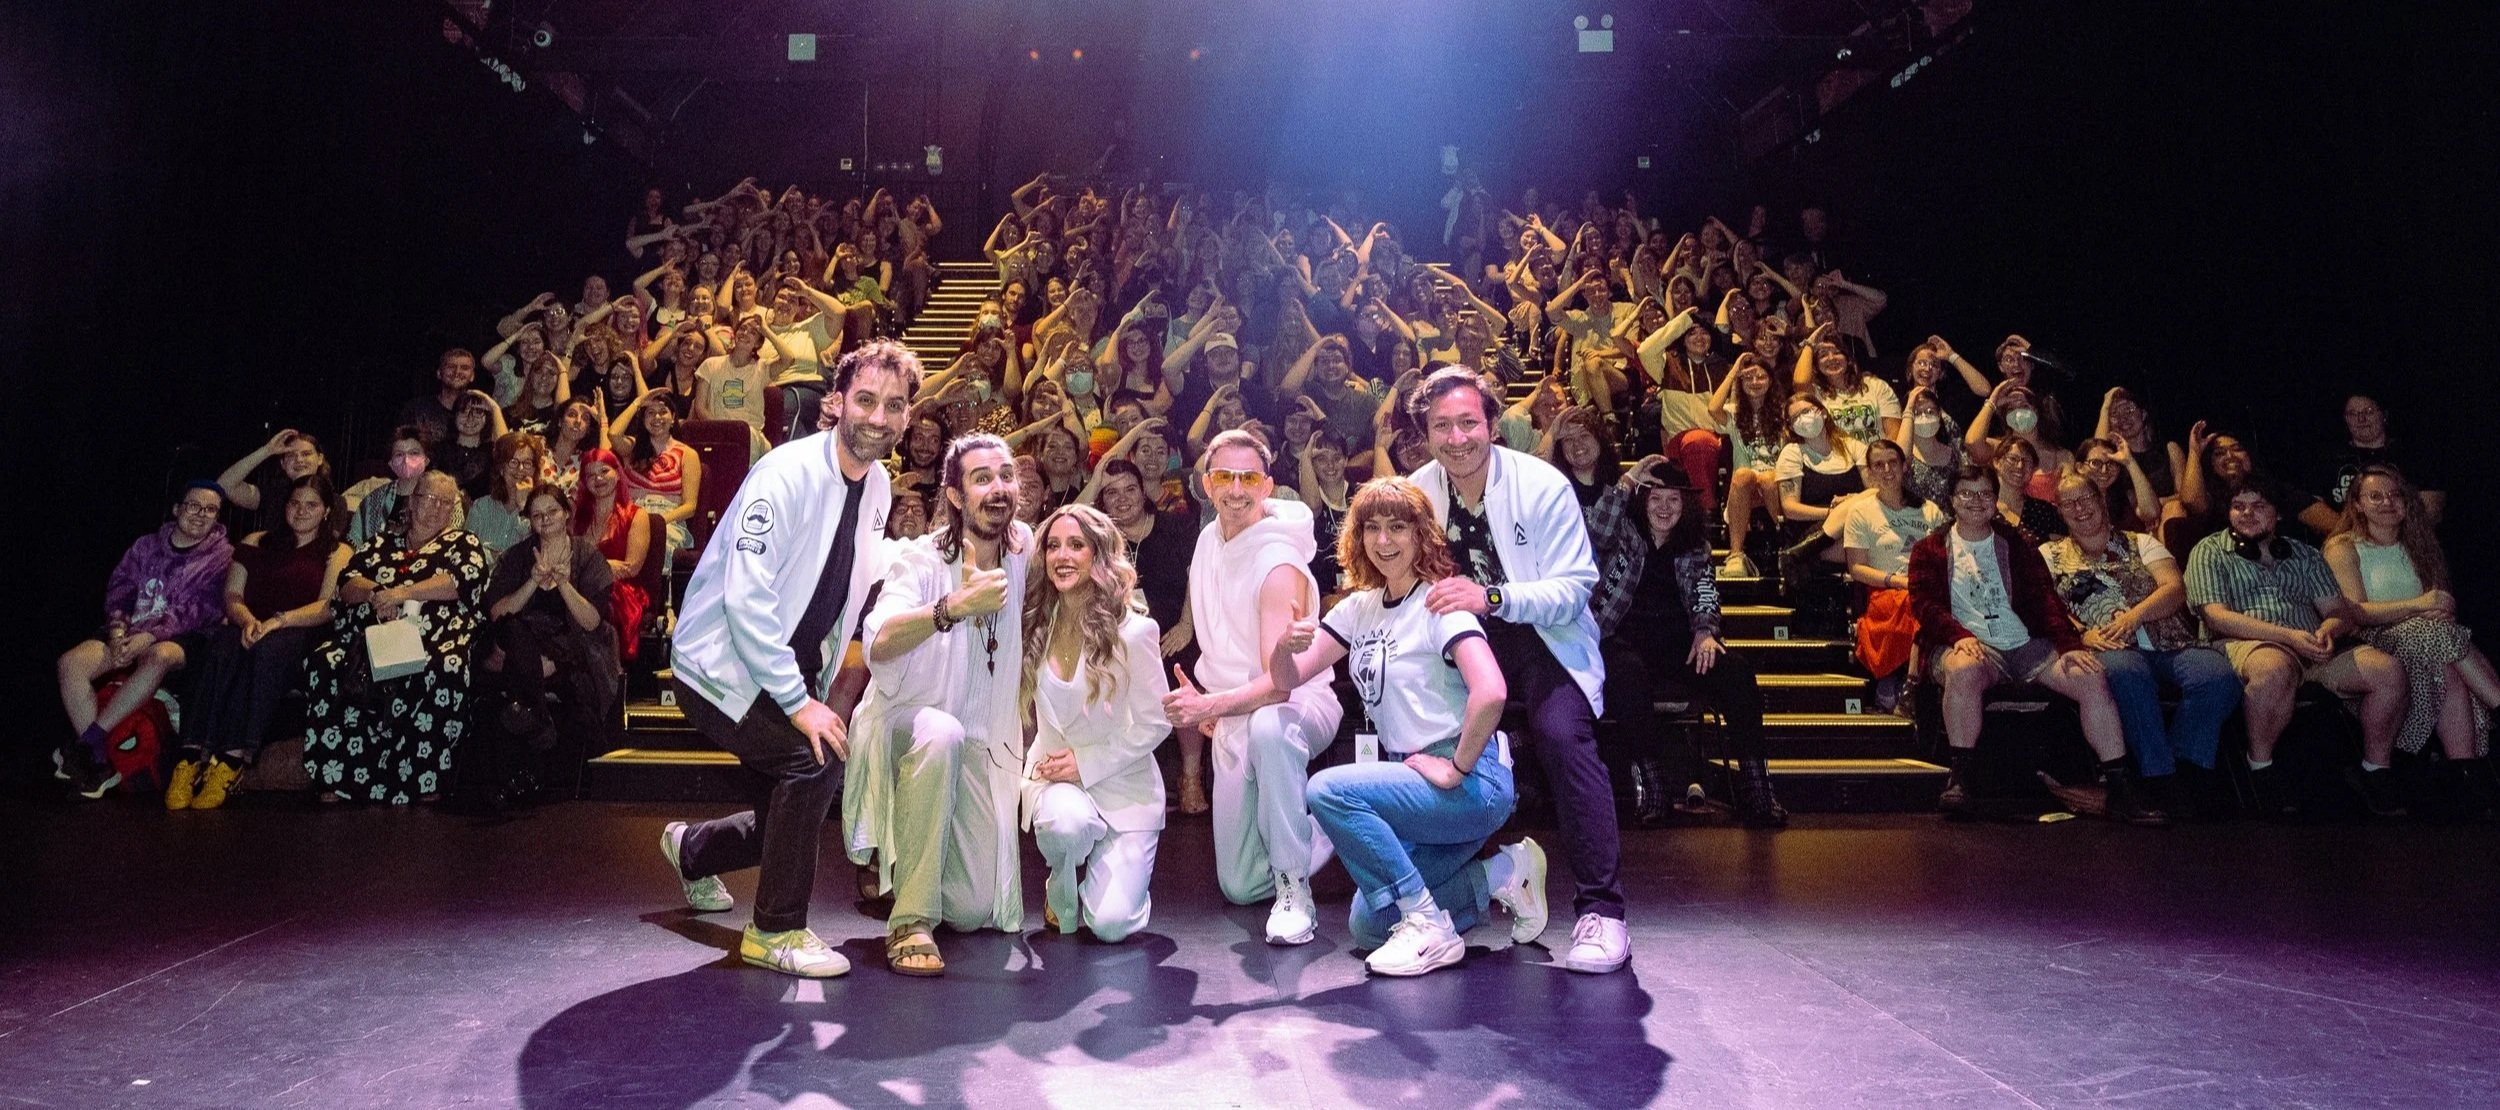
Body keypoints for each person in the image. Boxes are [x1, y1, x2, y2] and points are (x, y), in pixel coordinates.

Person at [660, 340, 911, 979]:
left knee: (792, 801)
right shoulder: (785, 473)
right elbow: (747, 600)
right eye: (866, 400)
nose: (878, 417)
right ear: (837, 401)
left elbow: (857, 582)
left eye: (893, 405)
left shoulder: (878, 485)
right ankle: (774, 930)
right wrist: (802, 705)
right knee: (811, 759)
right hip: (718, 665)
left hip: (786, 668)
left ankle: (693, 849)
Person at [1274, 477, 1547, 975]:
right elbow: (1288, 679)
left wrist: (1456, 766)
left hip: (1470, 780)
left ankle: (1428, 926)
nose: (1383, 541)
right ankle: (1506, 872)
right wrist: (1281, 647)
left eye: (1397, 528)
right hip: (1413, 785)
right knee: (1368, 923)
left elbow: (1491, 692)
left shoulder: (1438, 603)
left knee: (1329, 790)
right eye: (1371, 528)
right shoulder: (1359, 608)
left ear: (1422, 535)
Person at [1404, 368, 1626, 974]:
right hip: (1458, 640)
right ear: (1426, 433)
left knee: (1563, 737)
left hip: (1541, 638)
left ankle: (1603, 911)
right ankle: (1457, 890)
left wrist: (1492, 597)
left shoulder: (1541, 483)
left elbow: (1575, 588)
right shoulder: (1417, 491)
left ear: (1492, 425)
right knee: (1418, 741)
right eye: (1441, 426)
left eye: (1468, 423)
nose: (1456, 438)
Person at [851, 433, 1031, 975]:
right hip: (909, 730)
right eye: (981, 479)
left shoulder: (1025, 551)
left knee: (974, 912)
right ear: (954, 495)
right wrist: (952, 607)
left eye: (1005, 476)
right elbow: (877, 640)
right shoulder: (922, 559)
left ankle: (910, 859)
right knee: (941, 731)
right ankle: (910, 919)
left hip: (981, 746)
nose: (997, 489)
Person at [1161, 429, 1345, 947]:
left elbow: (1280, 686)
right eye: (1225, 477)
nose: (1236, 489)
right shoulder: (1208, 539)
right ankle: (1332, 825)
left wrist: (1209, 704)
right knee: (1239, 886)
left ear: (1267, 487)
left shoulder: (1277, 564)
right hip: (1234, 709)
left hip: (1298, 703)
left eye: (1248, 478)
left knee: (1268, 728)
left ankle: (1293, 888)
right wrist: (1217, 703)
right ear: (1206, 483)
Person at [1907, 465, 2165, 824]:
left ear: (1995, 499)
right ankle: (1960, 780)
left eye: (1984, 493)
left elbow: (2044, 598)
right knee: (1962, 671)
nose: (1977, 501)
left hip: (2026, 643)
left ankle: (2120, 788)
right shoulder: (1930, 549)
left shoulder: (2015, 543)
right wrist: (1959, 637)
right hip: (1969, 644)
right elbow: (1924, 605)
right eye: (1967, 493)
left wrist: (2068, 645)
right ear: (1952, 500)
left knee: (2089, 676)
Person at [2186, 480, 2411, 815]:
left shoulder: (2304, 553)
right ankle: (2260, 769)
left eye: (2258, 505)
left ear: (2278, 515)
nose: (2247, 513)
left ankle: (2375, 771)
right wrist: (2288, 637)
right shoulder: (2209, 550)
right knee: (2274, 669)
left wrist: (2326, 631)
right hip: (2249, 644)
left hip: (2313, 646)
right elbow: (2217, 617)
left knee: (2387, 671)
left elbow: (2338, 612)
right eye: (2238, 506)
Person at [1591, 458, 1790, 825]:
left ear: (1685, 506)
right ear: (1642, 501)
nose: (1664, 508)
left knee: (1737, 672)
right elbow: (1596, 528)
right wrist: (1629, 479)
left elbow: (1704, 590)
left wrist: (1705, 631)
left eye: (1674, 500)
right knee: (1628, 674)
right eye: (1656, 499)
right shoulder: (1621, 531)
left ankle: (1757, 788)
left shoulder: (1694, 544)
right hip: (1621, 637)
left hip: (1676, 644)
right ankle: (1652, 788)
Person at [2041, 473, 2240, 816]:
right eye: (2069, 503)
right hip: (2108, 646)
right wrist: (2081, 635)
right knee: (2127, 674)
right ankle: (2159, 777)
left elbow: (2174, 589)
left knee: (2217, 675)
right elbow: (2045, 607)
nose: (2079, 508)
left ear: (2101, 500)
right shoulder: (2049, 554)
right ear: (2059, 511)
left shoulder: (2141, 542)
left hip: (2168, 641)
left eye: (2085, 498)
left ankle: (2182, 767)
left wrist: (2135, 617)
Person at [1021, 504, 1172, 942]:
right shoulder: (1034, 625)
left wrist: (1085, 764)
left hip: (1125, 789)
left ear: (1098, 555)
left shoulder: (1135, 632)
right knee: (1065, 825)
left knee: (1110, 926)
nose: (1062, 556)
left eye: (1076, 545)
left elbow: (1155, 722)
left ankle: (1115, 886)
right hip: (1056, 783)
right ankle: (1060, 888)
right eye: (1052, 546)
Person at [301, 471, 492, 805]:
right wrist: (379, 594)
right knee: (325, 660)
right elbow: (347, 584)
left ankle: (423, 780)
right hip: (372, 635)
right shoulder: (381, 542)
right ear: (413, 502)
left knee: (446, 666)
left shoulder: (464, 543)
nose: (437, 509)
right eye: (430, 499)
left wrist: (402, 593)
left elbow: (458, 583)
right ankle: (338, 776)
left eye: (446, 504)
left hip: (435, 637)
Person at [166, 477, 349, 810]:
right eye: (295, 503)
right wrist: (249, 620)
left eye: (312, 505)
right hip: (249, 622)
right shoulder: (256, 541)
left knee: (269, 648)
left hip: (297, 629)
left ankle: (232, 760)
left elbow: (326, 606)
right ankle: (190, 756)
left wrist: (278, 621)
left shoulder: (337, 550)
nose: (301, 511)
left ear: (326, 511)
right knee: (222, 643)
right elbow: (232, 595)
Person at [2322, 466, 2495, 812]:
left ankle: (2466, 774)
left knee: (2447, 666)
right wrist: (2421, 607)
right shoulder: (2343, 547)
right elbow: (2356, 613)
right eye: (2375, 496)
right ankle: (2493, 711)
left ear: (2407, 503)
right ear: (2356, 504)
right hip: (2372, 642)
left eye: (2395, 495)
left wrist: (2439, 610)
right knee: (2438, 639)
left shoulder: (2420, 545)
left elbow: (2442, 604)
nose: (2387, 502)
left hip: (2429, 643)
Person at [56, 483, 235, 798]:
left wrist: (150, 636)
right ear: (177, 509)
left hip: (182, 638)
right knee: (71, 663)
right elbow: (121, 589)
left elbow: (202, 609)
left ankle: (89, 742)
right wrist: (118, 631)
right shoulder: (145, 546)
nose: (201, 514)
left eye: (210, 510)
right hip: (130, 630)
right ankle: (100, 764)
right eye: (194, 506)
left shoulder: (222, 556)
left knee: (160, 655)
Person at [477, 487, 619, 804]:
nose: (545, 520)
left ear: (566, 513)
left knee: (524, 682)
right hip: (522, 647)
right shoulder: (517, 556)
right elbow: (498, 613)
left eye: (551, 512)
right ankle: (538, 718)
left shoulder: (588, 557)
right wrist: (533, 581)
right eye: (537, 515)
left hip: (571, 649)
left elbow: (592, 623)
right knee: (514, 629)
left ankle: (522, 758)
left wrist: (563, 582)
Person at [1838, 440, 1944, 711]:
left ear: (1904, 466)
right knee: (1914, 605)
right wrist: (1896, 580)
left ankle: (1909, 685)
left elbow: (1943, 558)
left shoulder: (1928, 509)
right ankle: (1905, 684)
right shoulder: (1861, 512)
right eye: (1878, 465)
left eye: (1893, 462)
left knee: (1925, 603)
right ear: (1870, 472)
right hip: (1883, 588)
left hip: (1925, 587)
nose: (1887, 470)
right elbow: (1856, 568)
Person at [2306, 394, 2446, 531]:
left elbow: (2432, 509)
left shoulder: (2412, 456)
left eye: (2369, 411)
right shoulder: (2330, 459)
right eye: (2353, 413)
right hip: (2346, 542)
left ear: (2384, 415)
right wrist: (2356, 538)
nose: (2361, 419)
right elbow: (2311, 506)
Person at [216, 429, 340, 537]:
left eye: (306, 454)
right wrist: (267, 450)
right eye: (291, 455)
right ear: (283, 464)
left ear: (320, 459)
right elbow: (224, 486)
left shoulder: (336, 502)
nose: (299, 460)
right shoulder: (272, 494)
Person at [346, 428, 433, 547]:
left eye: (414, 453)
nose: (406, 460)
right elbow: (354, 541)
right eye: (399, 454)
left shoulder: (442, 499)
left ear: (426, 460)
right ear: (391, 463)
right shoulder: (373, 500)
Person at [464, 432, 546, 557]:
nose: (520, 469)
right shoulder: (481, 507)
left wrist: (524, 508)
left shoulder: (543, 511)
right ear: (501, 468)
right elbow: (465, 551)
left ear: (535, 470)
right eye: (513, 462)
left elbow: (536, 552)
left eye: (527, 463)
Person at [396, 349, 479, 449]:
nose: (457, 372)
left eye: (464, 368)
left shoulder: (480, 413)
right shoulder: (416, 409)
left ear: (472, 376)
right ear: (439, 373)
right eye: (451, 367)